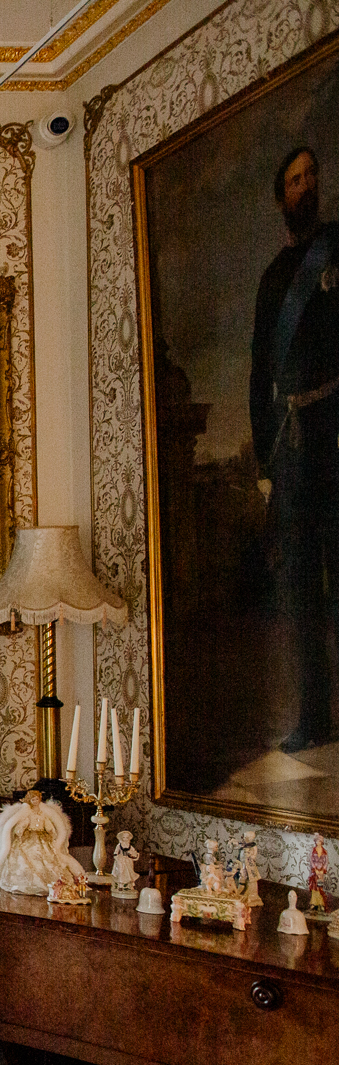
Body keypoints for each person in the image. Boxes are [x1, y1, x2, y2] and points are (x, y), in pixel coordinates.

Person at [251, 147, 339, 752]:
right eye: (293, 179)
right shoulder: (273, 277)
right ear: (281, 195)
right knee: (302, 589)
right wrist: (264, 461)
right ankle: (314, 718)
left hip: (337, 431)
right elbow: (259, 371)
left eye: (310, 176)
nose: (304, 185)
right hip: (293, 446)